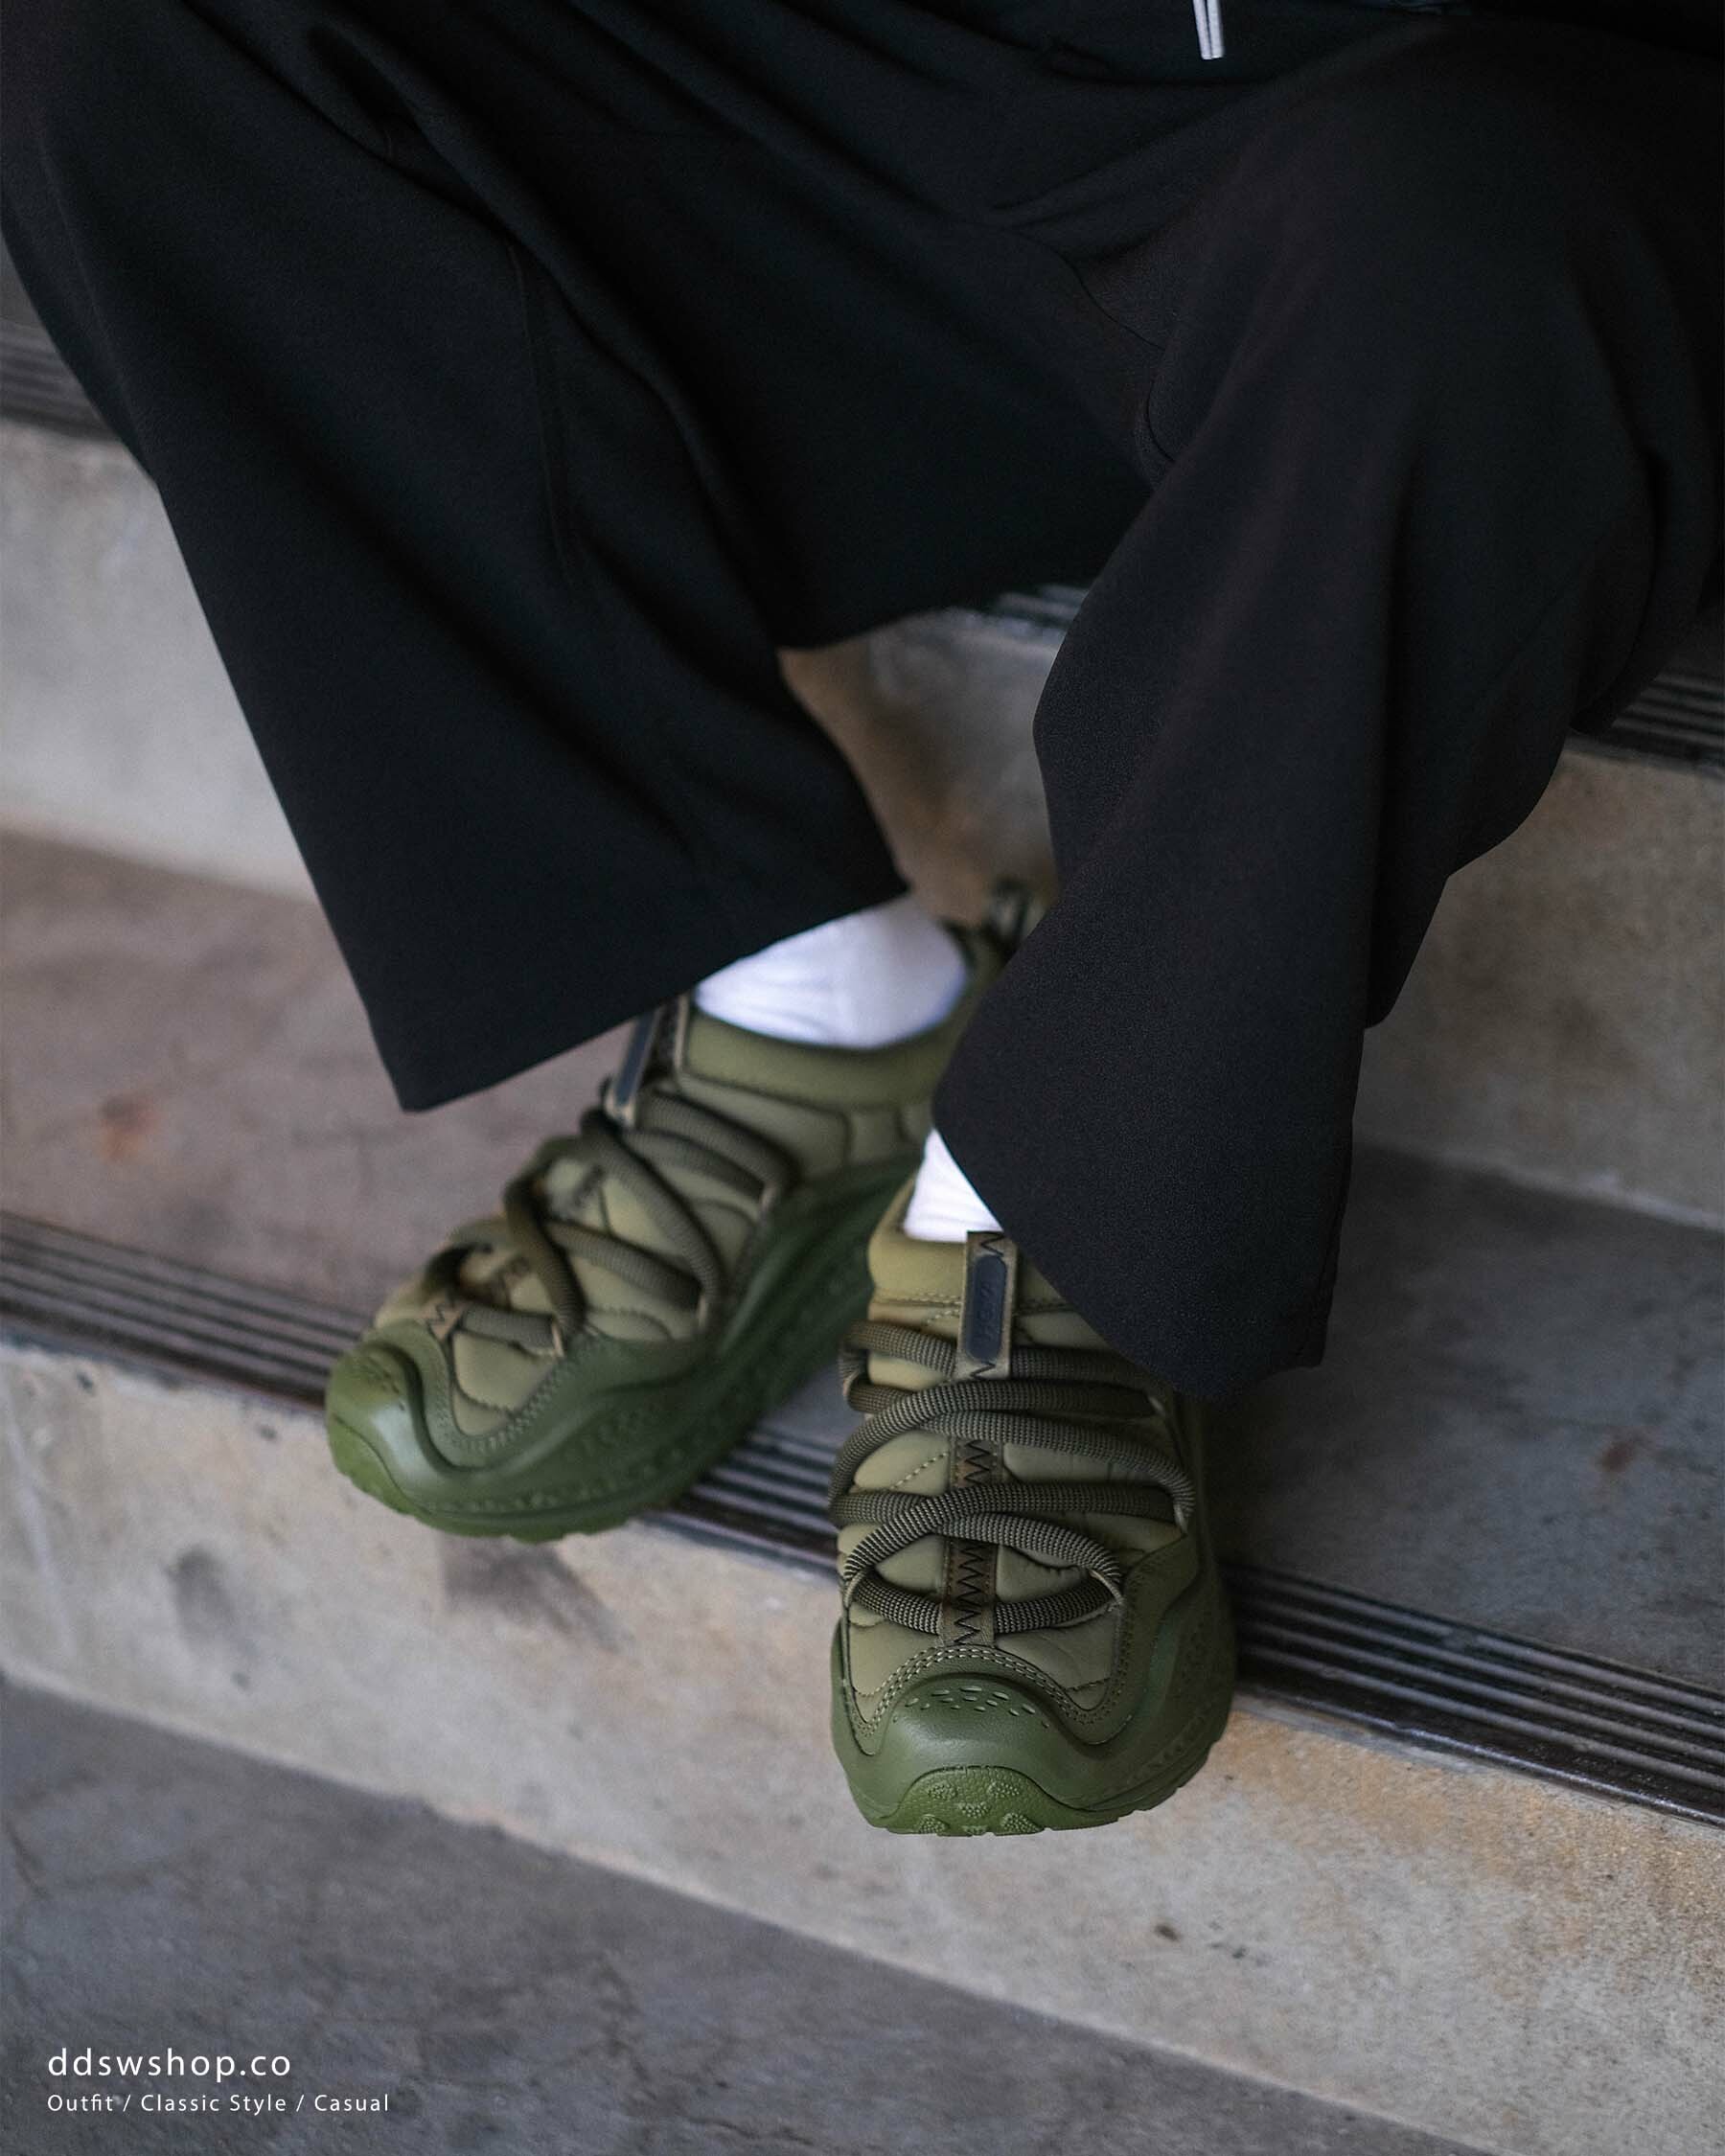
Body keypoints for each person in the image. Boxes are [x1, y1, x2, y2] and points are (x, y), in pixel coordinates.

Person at [6, 0, 1718, 1836]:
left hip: (1413, 165)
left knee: (1462, 235)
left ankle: (1055, 1215)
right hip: (891, 138)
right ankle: (802, 993)